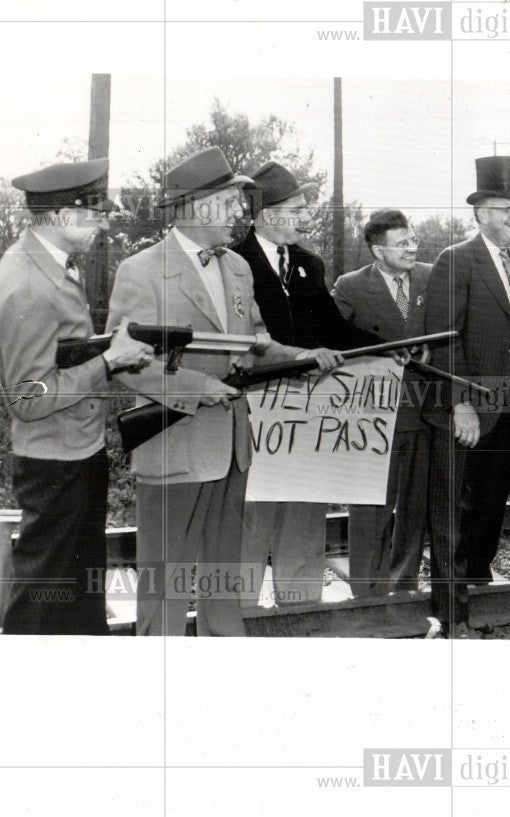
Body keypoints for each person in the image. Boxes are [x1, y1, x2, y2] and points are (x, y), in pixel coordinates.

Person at [106, 147, 335, 636]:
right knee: (165, 583)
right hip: (175, 446)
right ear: (200, 206)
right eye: (232, 202)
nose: (241, 212)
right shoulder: (141, 271)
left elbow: (254, 344)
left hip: (232, 447)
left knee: (222, 582)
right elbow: (125, 363)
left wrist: (301, 359)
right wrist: (197, 387)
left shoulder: (236, 267)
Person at [0, 157, 155, 634]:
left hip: (76, 451)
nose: (103, 222)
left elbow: (59, 352)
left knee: (78, 598)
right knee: (42, 599)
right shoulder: (28, 285)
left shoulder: (49, 263)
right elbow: (27, 397)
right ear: (63, 218)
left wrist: (109, 350)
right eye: (94, 212)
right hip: (56, 463)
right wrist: (110, 361)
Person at [231, 161, 376, 608]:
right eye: (297, 208)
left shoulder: (310, 264)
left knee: (304, 515)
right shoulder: (233, 262)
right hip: (255, 413)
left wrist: (390, 348)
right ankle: (239, 618)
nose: (305, 217)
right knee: (251, 519)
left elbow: (334, 330)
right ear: (269, 213)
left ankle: (301, 613)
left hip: (308, 416)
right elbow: (240, 341)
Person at [423, 155, 510, 636]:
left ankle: (476, 580)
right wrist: (460, 404)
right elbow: (442, 339)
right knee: (455, 504)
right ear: (480, 214)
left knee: (491, 498)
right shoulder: (456, 260)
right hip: (472, 398)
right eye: (506, 209)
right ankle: (450, 607)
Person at [332, 210, 432, 597]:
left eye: (413, 240)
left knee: (414, 506)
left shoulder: (430, 276)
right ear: (377, 250)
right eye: (402, 243)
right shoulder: (351, 286)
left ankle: (403, 586)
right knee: (369, 507)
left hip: (424, 410)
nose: (411, 249)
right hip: (373, 415)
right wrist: (376, 356)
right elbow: (333, 342)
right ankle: (366, 592)